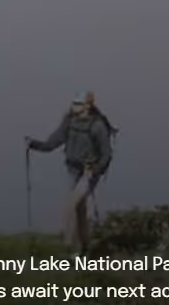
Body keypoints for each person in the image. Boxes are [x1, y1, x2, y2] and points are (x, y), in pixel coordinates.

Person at [25, 91, 116, 254]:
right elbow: (52, 143)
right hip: (72, 169)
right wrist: (34, 144)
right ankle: (85, 248)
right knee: (79, 210)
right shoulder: (69, 122)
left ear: (88, 105)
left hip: (89, 172)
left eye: (79, 103)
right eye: (74, 103)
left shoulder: (97, 126)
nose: (74, 106)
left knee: (70, 204)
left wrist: (96, 169)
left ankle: (68, 246)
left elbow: (107, 153)